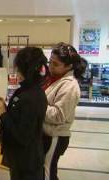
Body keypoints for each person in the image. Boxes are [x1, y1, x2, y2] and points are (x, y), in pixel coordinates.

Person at [0, 47, 48, 180]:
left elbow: (22, 136)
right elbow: (21, 117)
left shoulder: (31, 96)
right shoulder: (28, 89)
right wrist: (6, 108)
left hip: (27, 163)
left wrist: (3, 114)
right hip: (22, 160)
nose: (16, 71)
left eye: (18, 67)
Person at [43, 42, 87, 180]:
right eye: (50, 62)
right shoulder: (53, 78)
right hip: (46, 135)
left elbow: (57, 116)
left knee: (47, 174)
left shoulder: (70, 86)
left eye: (55, 64)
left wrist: (35, 105)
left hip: (55, 137)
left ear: (69, 66)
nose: (50, 66)